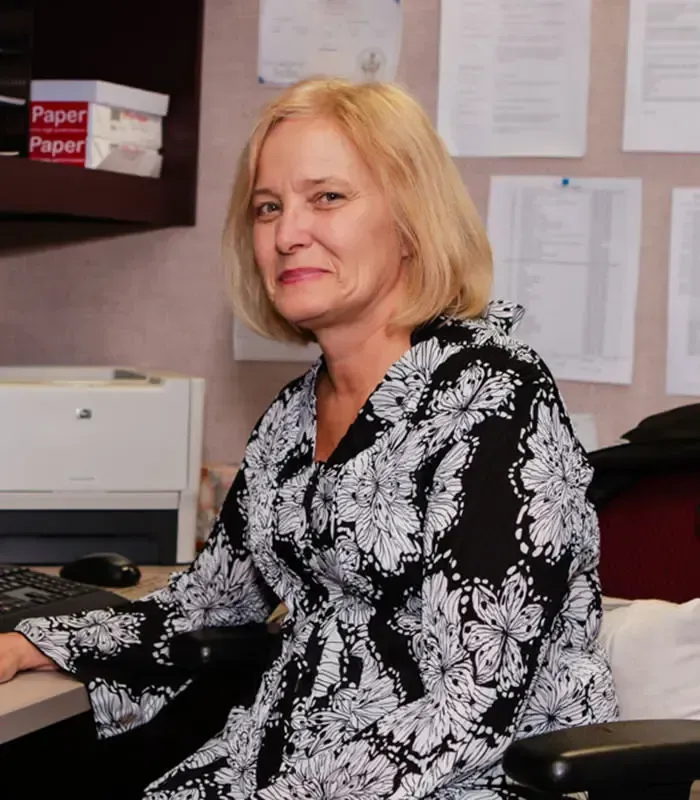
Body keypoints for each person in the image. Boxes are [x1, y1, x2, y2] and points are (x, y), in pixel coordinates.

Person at [0, 77, 618, 799]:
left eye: (327, 197)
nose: (287, 232)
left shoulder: (492, 397)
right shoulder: (293, 418)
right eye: (269, 207)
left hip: (459, 782)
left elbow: (473, 701)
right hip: (284, 763)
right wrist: (30, 643)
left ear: (412, 217)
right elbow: (209, 606)